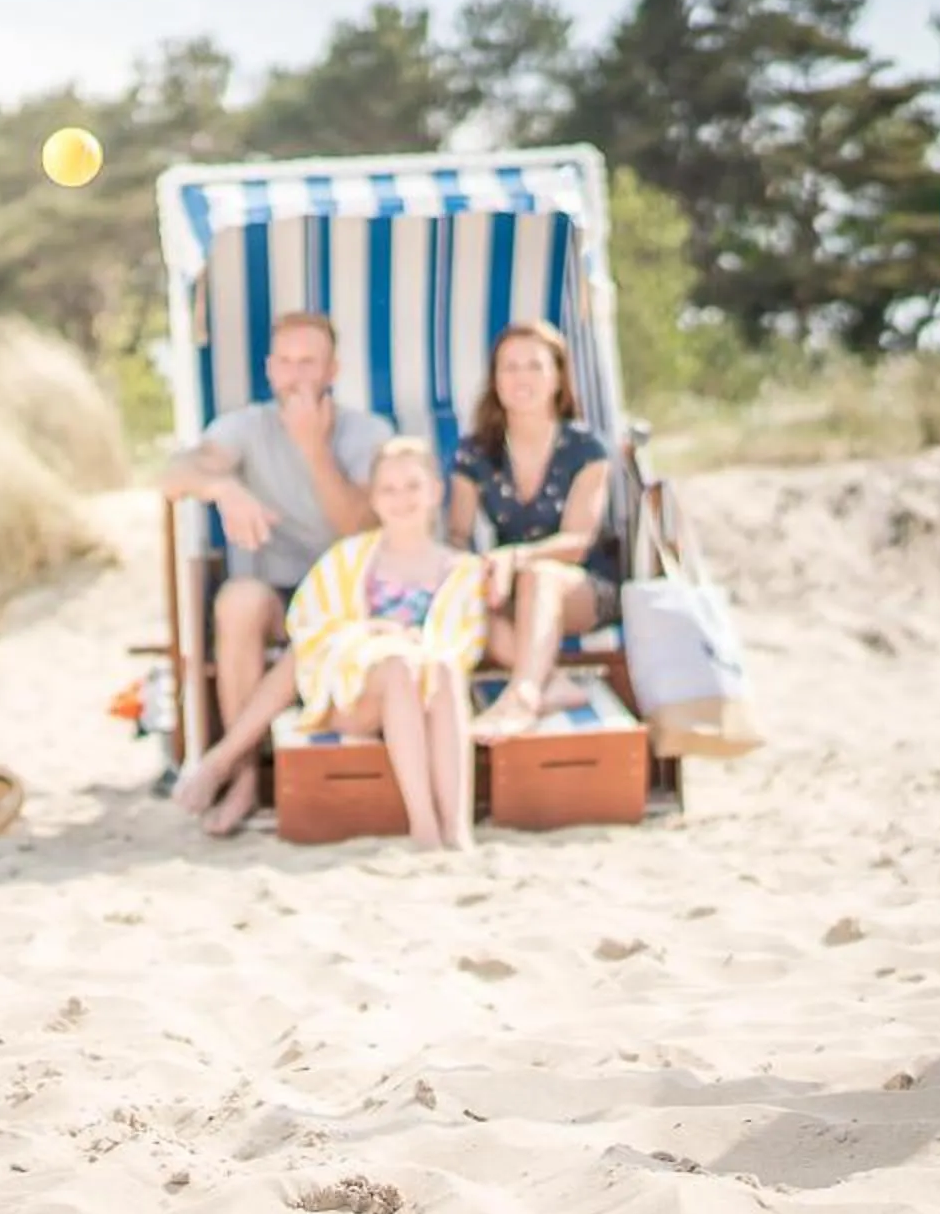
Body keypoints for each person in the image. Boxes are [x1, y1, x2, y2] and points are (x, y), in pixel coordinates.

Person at [160, 311, 392, 835]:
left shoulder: (369, 433)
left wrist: (313, 447)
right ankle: (245, 780)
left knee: (320, 624)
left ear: (332, 370)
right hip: (276, 593)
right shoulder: (245, 426)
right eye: (285, 362)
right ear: (269, 370)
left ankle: (227, 760)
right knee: (237, 602)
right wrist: (223, 488)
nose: (295, 375)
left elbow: (358, 525)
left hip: (348, 595)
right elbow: (174, 475)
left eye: (307, 362)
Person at [280, 436, 486, 849]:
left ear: (435, 492)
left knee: (442, 668)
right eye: (389, 489)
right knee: (395, 665)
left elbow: (465, 641)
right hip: (357, 695)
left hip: (425, 694)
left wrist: (417, 647)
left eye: (413, 486)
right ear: (373, 499)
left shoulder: (461, 570)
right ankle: (423, 824)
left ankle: (457, 826)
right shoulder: (349, 559)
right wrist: (372, 633)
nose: (401, 498)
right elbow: (310, 628)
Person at [447, 322, 620, 742]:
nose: (521, 378)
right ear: (495, 379)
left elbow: (578, 543)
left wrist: (516, 558)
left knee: (539, 578)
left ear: (557, 377)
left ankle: (522, 696)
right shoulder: (476, 450)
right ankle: (552, 683)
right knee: (459, 603)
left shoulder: (586, 449)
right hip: (507, 585)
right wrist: (471, 570)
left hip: (579, 586)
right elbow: (457, 533)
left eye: (534, 366)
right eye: (509, 367)